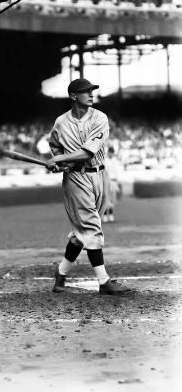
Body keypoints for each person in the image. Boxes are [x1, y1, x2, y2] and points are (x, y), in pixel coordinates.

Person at [47, 78, 131, 295]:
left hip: (101, 175)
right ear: (74, 96)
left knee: (81, 232)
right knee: (91, 226)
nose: (92, 94)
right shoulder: (60, 122)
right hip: (76, 178)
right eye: (86, 91)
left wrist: (59, 160)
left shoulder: (100, 118)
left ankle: (61, 273)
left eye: (92, 91)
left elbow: (87, 153)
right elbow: (54, 145)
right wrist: (61, 163)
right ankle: (104, 281)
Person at [103, 146, 122, 223]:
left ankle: (110, 214)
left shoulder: (115, 160)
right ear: (108, 152)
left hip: (113, 181)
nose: (111, 154)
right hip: (107, 181)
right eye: (110, 153)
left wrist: (117, 181)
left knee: (112, 200)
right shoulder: (105, 160)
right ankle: (104, 215)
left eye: (112, 153)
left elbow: (117, 172)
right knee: (106, 199)